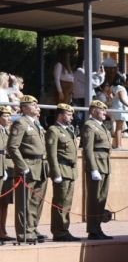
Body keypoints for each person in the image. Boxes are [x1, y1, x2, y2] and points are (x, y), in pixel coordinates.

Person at [7, 95, 49, 244]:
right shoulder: (21, 123)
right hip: (28, 165)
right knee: (25, 202)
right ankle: (24, 232)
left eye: (37, 104)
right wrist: (22, 166)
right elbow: (12, 147)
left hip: (40, 166)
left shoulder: (36, 123)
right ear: (24, 108)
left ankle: (32, 228)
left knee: (36, 201)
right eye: (33, 104)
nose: (37, 107)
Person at [46, 103, 80, 241]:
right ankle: (59, 232)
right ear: (60, 115)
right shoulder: (54, 130)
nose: (71, 117)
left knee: (67, 203)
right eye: (69, 114)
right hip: (61, 169)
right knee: (60, 203)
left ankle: (64, 229)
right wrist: (56, 173)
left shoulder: (69, 130)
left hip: (70, 171)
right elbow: (51, 154)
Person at [81, 100, 113, 240]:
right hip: (97, 165)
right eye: (102, 110)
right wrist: (93, 169)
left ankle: (98, 227)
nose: (105, 112)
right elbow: (88, 149)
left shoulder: (102, 126)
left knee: (101, 198)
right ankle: (93, 230)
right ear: (93, 111)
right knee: (94, 199)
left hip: (105, 165)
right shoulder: (90, 126)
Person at [0, 105, 13, 244]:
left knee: (4, 202)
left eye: (9, 116)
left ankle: (2, 231)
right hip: (0, 168)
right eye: (5, 116)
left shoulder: (8, 132)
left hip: (8, 169)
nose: (8, 118)